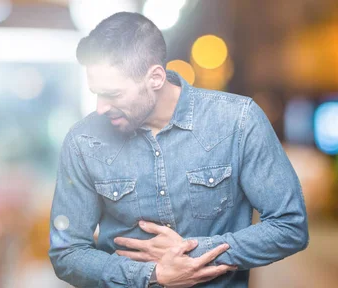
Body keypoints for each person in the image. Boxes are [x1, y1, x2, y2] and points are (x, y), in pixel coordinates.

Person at [49, 12, 308, 288]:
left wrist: (192, 252)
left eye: (113, 94)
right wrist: (153, 275)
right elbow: (67, 252)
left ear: (156, 78)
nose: (100, 107)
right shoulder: (83, 141)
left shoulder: (239, 121)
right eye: (96, 93)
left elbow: (290, 227)